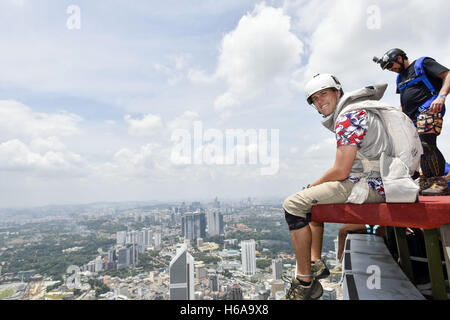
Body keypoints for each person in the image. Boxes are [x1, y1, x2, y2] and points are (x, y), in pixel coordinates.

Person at [282, 74, 392, 300]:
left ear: (338, 92)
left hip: (369, 185)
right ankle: (315, 263)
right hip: (381, 181)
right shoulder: (361, 110)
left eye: (324, 93)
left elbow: (341, 171)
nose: (319, 101)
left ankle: (305, 282)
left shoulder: (348, 117)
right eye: (314, 98)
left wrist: (311, 187)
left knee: (293, 204)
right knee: (311, 201)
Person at [373, 49, 450, 195]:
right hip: (411, 118)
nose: (391, 69)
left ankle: (439, 181)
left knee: (427, 143)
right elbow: (404, 100)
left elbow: (448, 74)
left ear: (400, 58)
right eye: (388, 68)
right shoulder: (400, 78)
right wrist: (397, 117)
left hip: (429, 108)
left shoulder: (422, 63)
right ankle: (427, 181)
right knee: (418, 149)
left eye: (391, 65)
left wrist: (441, 96)